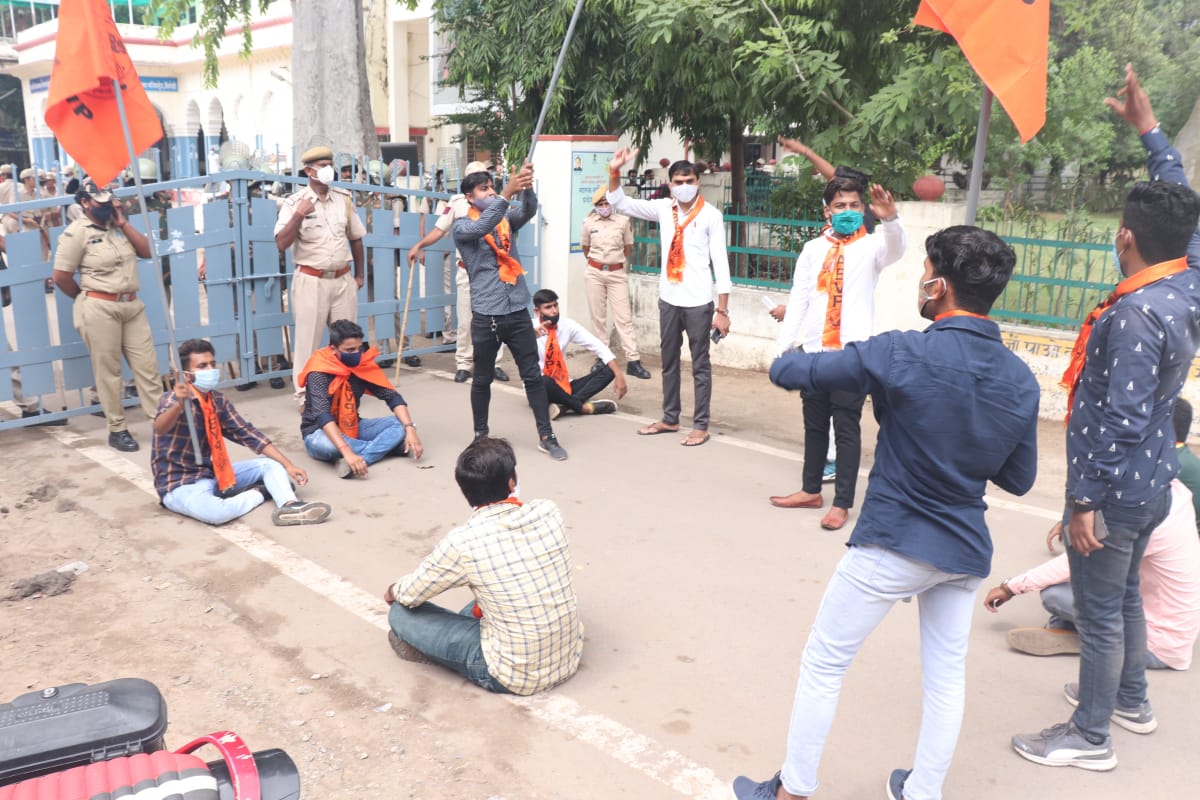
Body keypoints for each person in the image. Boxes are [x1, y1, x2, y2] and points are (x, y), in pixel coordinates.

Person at [733, 226, 1039, 800]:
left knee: (825, 663)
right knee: (946, 678)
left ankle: (791, 791)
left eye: (925, 272)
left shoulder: (903, 350)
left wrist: (791, 344)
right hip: (964, 549)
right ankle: (923, 791)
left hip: (893, 540)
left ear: (939, 284)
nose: (920, 283)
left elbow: (790, 374)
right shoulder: (1019, 378)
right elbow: (1018, 479)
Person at [1011, 178, 1200, 771]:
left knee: (1098, 614)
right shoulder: (1186, 282)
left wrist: (1086, 499)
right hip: (1154, 481)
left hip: (1115, 488)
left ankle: (1089, 736)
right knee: (1123, 599)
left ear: (1125, 237)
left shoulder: (1140, 313)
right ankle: (1130, 701)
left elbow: (1122, 414)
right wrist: (1152, 137)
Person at [383, 436, 583, 695]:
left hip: (512, 674)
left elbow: (409, 594)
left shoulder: (463, 541)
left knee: (400, 613)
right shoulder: (549, 511)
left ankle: (442, 653)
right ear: (512, 481)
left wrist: (392, 591)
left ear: (466, 492)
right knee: (496, 595)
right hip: (568, 655)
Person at [767, 176, 906, 531]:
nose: (847, 212)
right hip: (814, 352)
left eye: (854, 206)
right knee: (814, 425)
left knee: (846, 428)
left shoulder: (872, 247)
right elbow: (799, 299)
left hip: (852, 355)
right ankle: (810, 490)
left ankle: (842, 503)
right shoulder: (813, 249)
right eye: (840, 206)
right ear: (826, 210)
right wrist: (784, 347)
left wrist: (890, 219)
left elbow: (897, 249)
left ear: (863, 210)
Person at [986, 477, 1200, 671]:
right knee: (1088, 579)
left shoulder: (1142, 517)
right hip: (1173, 634)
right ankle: (1078, 632)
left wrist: (1010, 587)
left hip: (1153, 645)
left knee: (1054, 594)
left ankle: (1091, 639)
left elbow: (1075, 561)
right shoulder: (1174, 495)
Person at [605, 147, 732, 447]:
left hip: (699, 301)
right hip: (669, 298)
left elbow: (722, 263)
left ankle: (701, 425)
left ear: (698, 182)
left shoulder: (711, 216)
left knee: (700, 364)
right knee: (669, 361)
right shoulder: (664, 209)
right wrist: (614, 171)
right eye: (677, 181)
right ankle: (670, 417)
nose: (683, 185)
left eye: (688, 180)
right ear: (670, 184)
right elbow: (620, 202)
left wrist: (722, 310)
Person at [453, 163, 568, 460]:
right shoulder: (463, 226)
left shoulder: (505, 220)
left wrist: (526, 186)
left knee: (532, 376)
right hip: (487, 314)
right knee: (481, 379)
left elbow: (528, 211)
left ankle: (547, 435)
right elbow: (482, 226)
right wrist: (505, 193)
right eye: (484, 189)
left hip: (517, 310)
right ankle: (481, 435)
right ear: (469, 197)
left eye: (492, 187)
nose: (490, 193)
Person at [152, 338, 331, 527]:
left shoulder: (217, 401)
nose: (210, 370)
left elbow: (247, 433)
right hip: (179, 484)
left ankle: (290, 505)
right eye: (202, 366)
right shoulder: (173, 400)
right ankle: (259, 493)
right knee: (218, 513)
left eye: (212, 364)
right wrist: (179, 405)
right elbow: (160, 427)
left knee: (269, 465)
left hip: (210, 473)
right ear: (185, 375)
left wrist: (288, 465)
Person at [51, 180, 164, 452]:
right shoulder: (76, 232)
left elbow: (147, 251)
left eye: (109, 200)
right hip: (99, 307)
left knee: (148, 368)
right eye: (100, 202)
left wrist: (123, 222)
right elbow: (61, 277)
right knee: (109, 372)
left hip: (131, 306)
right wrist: (85, 298)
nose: (107, 206)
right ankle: (117, 428)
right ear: (86, 203)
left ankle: (162, 424)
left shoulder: (118, 227)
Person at [274, 145, 366, 406]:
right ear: (308, 170)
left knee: (347, 340)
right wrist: (298, 215)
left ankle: (344, 390)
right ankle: (306, 397)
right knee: (309, 342)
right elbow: (281, 243)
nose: (328, 169)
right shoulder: (294, 203)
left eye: (330, 164)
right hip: (311, 280)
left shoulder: (344, 199)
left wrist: (359, 276)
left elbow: (356, 238)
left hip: (342, 279)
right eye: (322, 165)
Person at [406, 161, 511, 384]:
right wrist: (420, 245)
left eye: (485, 179)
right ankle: (464, 363)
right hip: (468, 272)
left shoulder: (497, 203)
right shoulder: (456, 203)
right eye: (477, 180)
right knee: (466, 321)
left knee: (495, 320)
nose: (484, 185)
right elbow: (439, 229)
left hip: (494, 272)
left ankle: (495, 364)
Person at [298, 318, 424, 478]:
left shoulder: (361, 364)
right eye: (349, 350)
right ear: (333, 349)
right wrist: (346, 450)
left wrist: (410, 428)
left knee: (400, 424)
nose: (356, 354)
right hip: (317, 432)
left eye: (359, 348)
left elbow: (392, 397)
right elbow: (322, 416)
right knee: (329, 448)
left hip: (352, 426)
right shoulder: (318, 371)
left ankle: (360, 459)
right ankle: (384, 448)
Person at [580, 186, 651, 380]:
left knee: (623, 317)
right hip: (594, 272)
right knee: (598, 317)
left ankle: (633, 361)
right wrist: (599, 263)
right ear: (595, 206)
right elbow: (586, 248)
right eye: (600, 204)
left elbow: (628, 247)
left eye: (606, 203)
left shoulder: (622, 221)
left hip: (616, 273)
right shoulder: (588, 222)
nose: (604, 207)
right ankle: (602, 358)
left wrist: (614, 262)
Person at [530, 288, 627, 420]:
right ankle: (581, 407)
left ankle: (565, 407)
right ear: (537, 311)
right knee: (545, 381)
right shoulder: (528, 328)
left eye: (555, 305)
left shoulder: (567, 325)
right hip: (539, 388)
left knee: (609, 369)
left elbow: (597, 345)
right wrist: (531, 335)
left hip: (563, 384)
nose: (554, 311)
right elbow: (506, 341)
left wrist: (619, 374)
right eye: (548, 307)